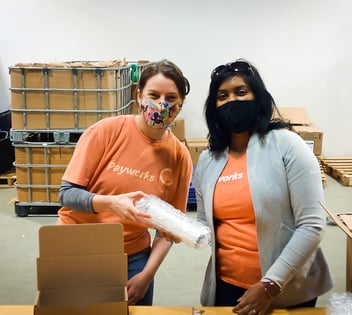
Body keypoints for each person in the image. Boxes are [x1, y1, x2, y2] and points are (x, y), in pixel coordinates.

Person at [195, 59, 333, 314]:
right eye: (222, 96)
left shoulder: (287, 146)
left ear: (257, 97)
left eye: (241, 92)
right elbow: (205, 224)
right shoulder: (207, 161)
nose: (232, 101)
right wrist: (174, 228)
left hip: (286, 287)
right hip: (227, 286)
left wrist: (270, 284)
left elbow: (312, 225)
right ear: (213, 107)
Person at [57, 59, 193, 306]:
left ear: (181, 104)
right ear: (139, 96)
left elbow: (169, 230)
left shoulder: (179, 156)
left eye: (171, 98)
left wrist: (147, 275)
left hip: (132, 256)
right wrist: (111, 204)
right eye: (154, 95)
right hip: (77, 246)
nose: (162, 104)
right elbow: (67, 194)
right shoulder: (106, 131)